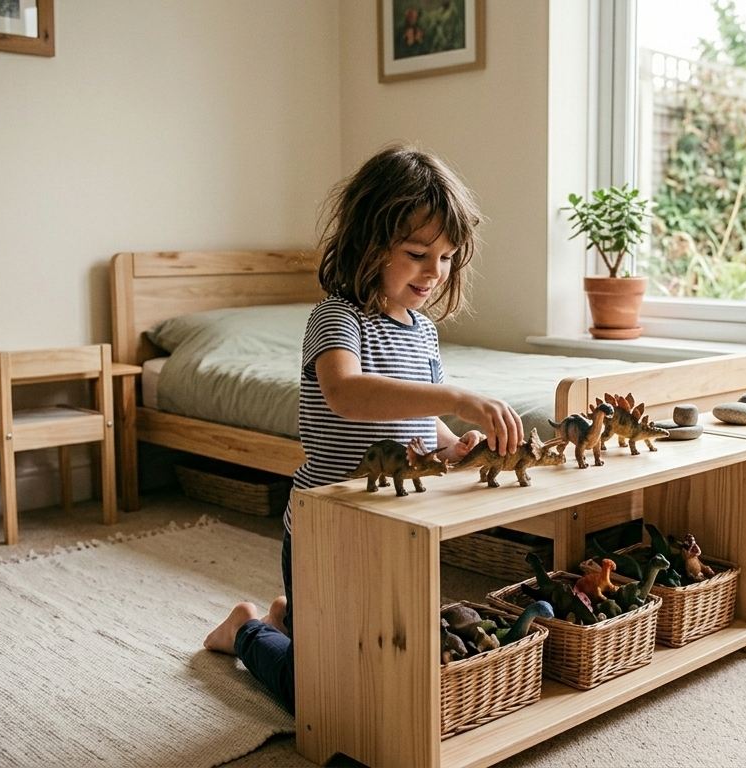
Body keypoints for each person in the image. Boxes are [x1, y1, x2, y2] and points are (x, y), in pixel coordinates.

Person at [203, 145, 522, 712]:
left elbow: (419, 421)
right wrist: (458, 397)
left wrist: (455, 445)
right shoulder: (337, 317)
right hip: (326, 529)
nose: (435, 272)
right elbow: (346, 393)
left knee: (382, 658)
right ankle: (247, 628)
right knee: (318, 698)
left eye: (446, 257)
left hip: (396, 527)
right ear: (369, 244)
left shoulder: (422, 332)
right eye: (418, 253)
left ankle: (290, 620)